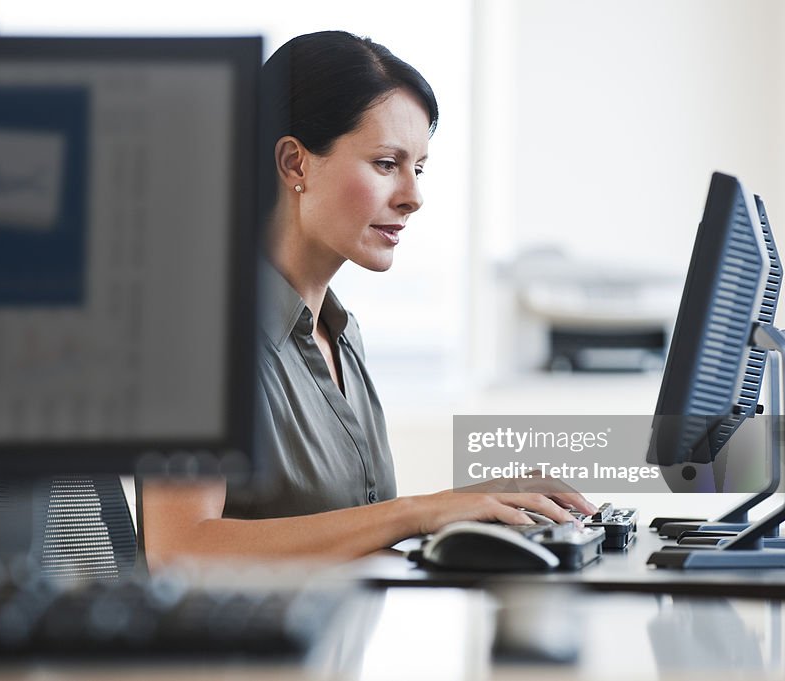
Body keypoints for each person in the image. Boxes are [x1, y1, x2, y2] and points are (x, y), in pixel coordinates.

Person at [141, 30, 596, 567]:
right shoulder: (202, 331)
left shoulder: (337, 333)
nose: (413, 196)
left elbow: (352, 532)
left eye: (419, 168)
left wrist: (468, 504)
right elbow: (179, 548)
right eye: (386, 164)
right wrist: (417, 512)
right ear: (294, 164)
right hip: (255, 651)